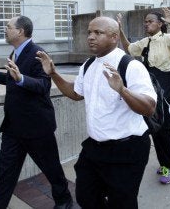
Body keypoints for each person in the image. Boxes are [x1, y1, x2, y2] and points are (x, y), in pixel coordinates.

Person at [36, 16, 156, 208]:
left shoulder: (131, 66)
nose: (91, 37)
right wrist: (53, 73)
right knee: (86, 197)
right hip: (95, 147)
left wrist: (122, 90)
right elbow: (76, 93)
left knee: (122, 203)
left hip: (127, 149)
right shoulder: (89, 64)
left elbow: (149, 108)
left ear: (114, 37)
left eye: (98, 33)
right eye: (89, 32)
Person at [0, 16, 72, 209]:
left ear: (20, 31)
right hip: (13, 128)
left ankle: (64, 201)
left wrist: (21, 78)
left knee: (51, 169)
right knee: (5, 173)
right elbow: (14, 80)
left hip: (37, 127)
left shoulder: (38, 53)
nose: (5, 29)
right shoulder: (15, 53)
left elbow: (43, 85)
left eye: (8, 26)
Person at [117, 7, 170, 184]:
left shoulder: (169, 39)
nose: (146, 24)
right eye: (145, 21)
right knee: (158, 130)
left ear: (160, 24)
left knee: (163, 130)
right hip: (153, 92)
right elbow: (129, 48)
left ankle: (168, 165)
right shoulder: (145, 42)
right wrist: (120, 30)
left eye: (150, 21)